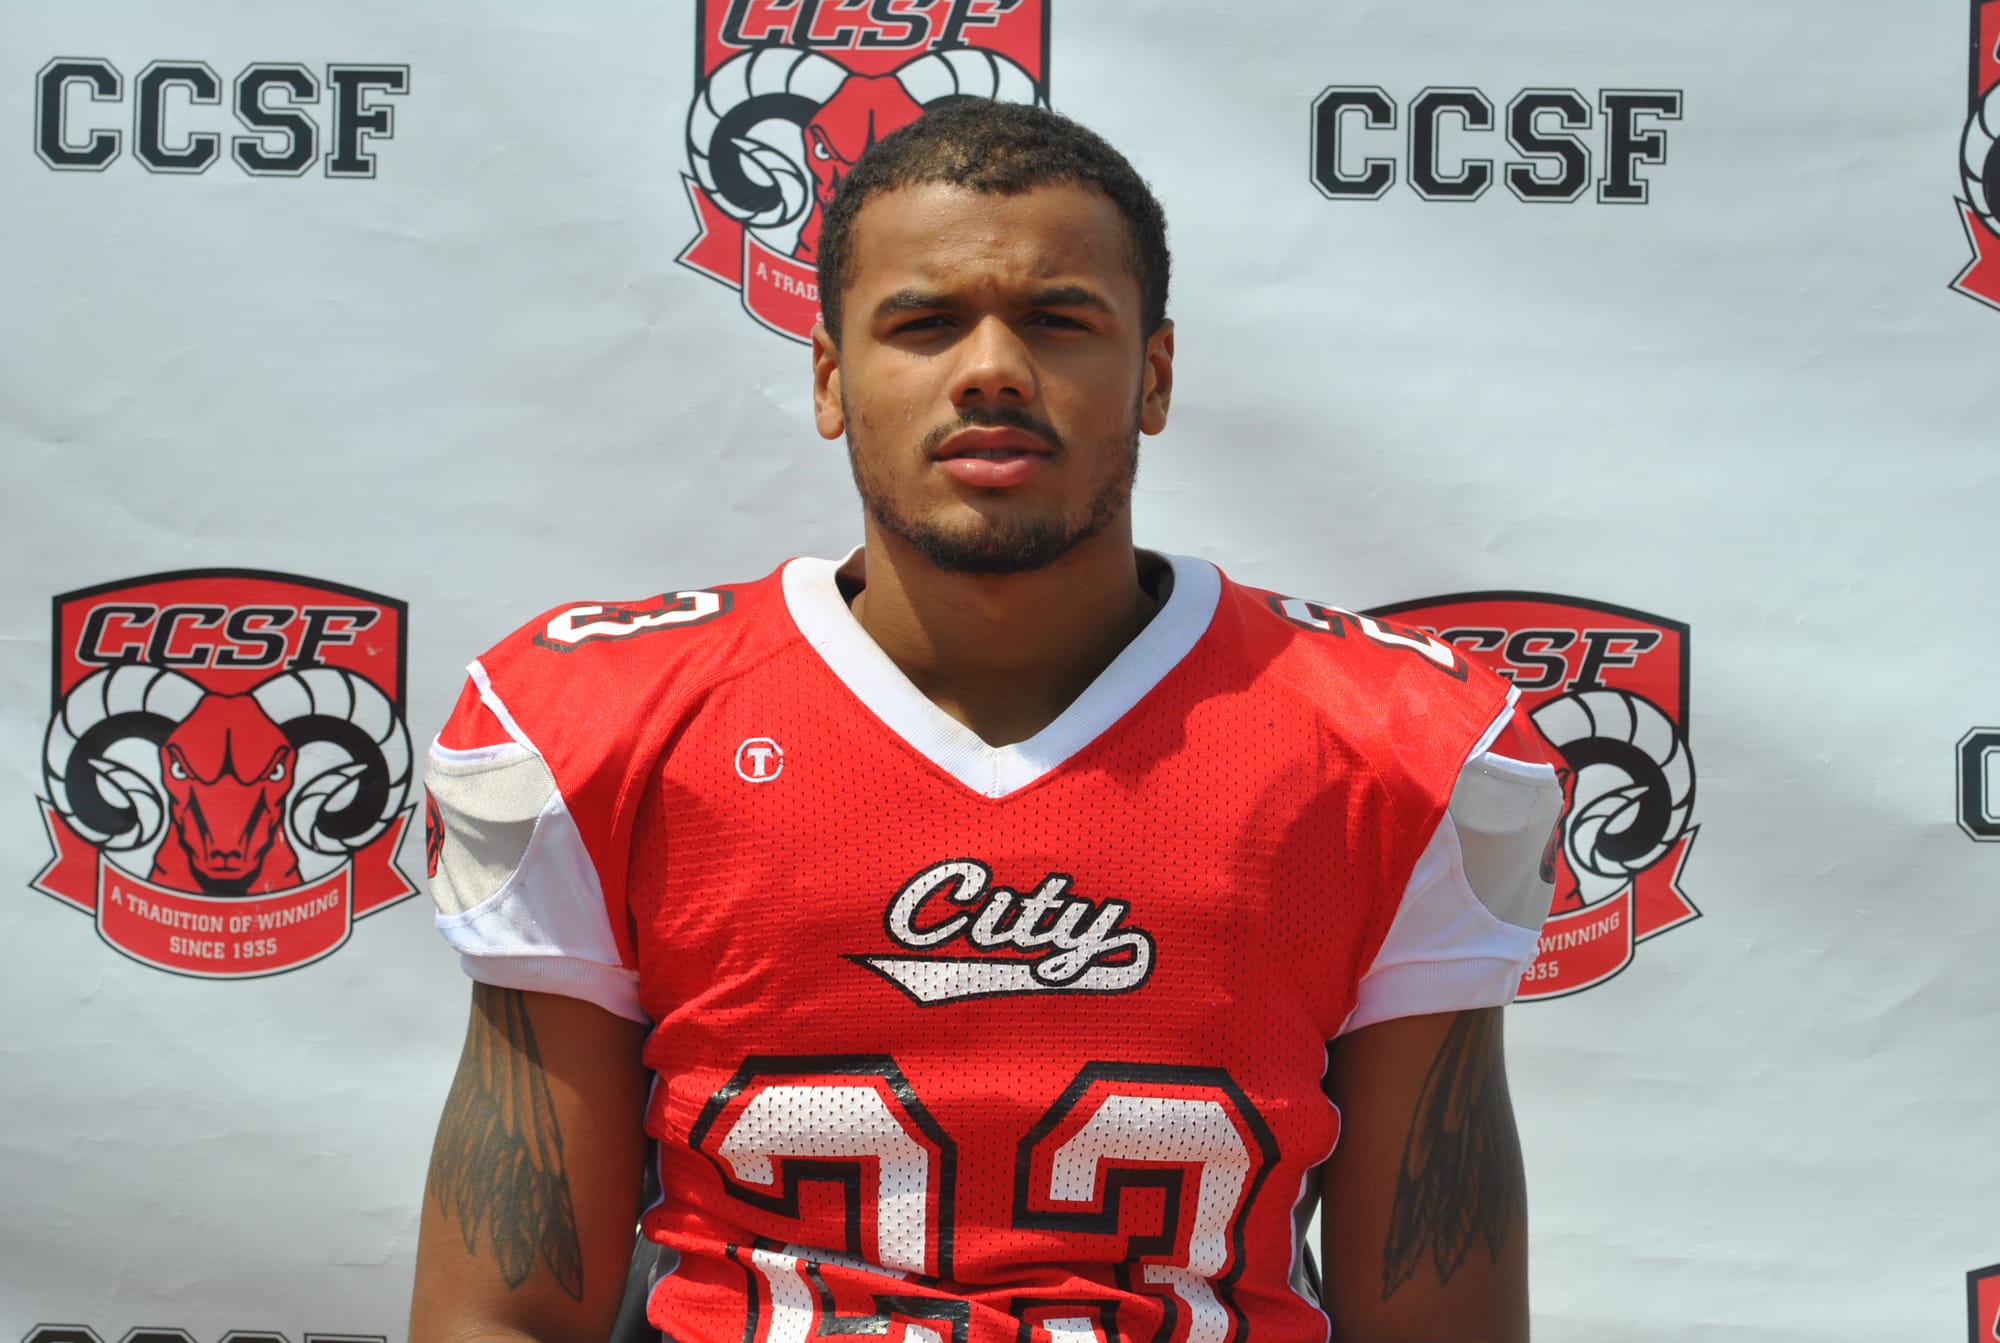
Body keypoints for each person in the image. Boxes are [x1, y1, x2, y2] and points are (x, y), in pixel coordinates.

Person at [409, 99, 1563, 1343]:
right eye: (922, 322)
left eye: (1059, 321)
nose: (991, 368)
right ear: (830, 378)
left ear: (1153, 374)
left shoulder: (1385, 746)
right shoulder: (613, 726)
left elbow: (1437, 1319)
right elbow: (508, 1306)